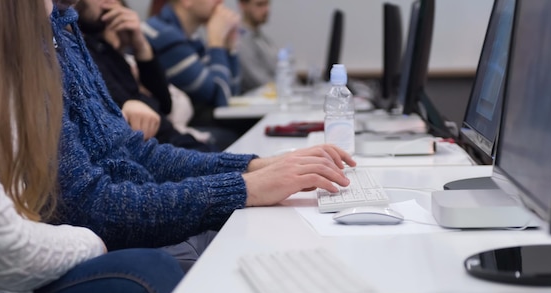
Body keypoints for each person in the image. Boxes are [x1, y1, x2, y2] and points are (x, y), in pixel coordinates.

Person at [50, 1, 356, 270]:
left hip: (141, 220)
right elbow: (95, 207)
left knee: (289, 236)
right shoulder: (39, 48)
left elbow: (140, 153)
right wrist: (245, 186)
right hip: (124, 242)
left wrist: (256, 167)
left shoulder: (67, 33)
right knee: (287, 249)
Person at [0, 0, 184, 293]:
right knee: (155, 271)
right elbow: (11, 245)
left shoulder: (61, 45)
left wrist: (245, 176)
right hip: (34, 269)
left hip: (20, 282)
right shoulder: (41, 59)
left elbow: (160, 114)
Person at [75, 0, 219, 152]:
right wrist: (218, 43)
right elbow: (213, 93)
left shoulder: (100, 46)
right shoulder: (76, 52)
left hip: (172, 144)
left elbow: (165, 104)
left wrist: (141, 46)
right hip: (160, 153)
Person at [143, 0, 243, 142]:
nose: (221, 2)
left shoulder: (190, 37)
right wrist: (216, 43)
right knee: (235, 134)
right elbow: (220, 99)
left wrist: (230, 47)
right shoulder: (163, 35)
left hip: (185, 123)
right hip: (162, 133)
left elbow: (231, 92)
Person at [236, 0, 279, 93]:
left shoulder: (263, 39)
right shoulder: (239, 41)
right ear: (243, 5)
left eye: (267, 4)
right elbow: (261, 81)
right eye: (260, 4)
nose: (266, 9)